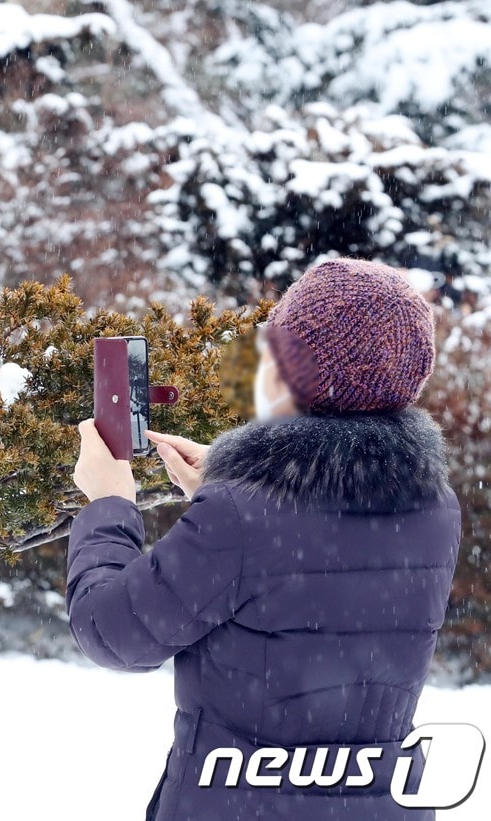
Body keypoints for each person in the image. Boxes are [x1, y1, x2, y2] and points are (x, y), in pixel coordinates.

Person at [68, 258, 462, 820]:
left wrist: (109, 503)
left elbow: (115, 633)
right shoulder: (435, 506)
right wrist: (234, 490)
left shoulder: (242, 518)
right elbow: (317, 561)